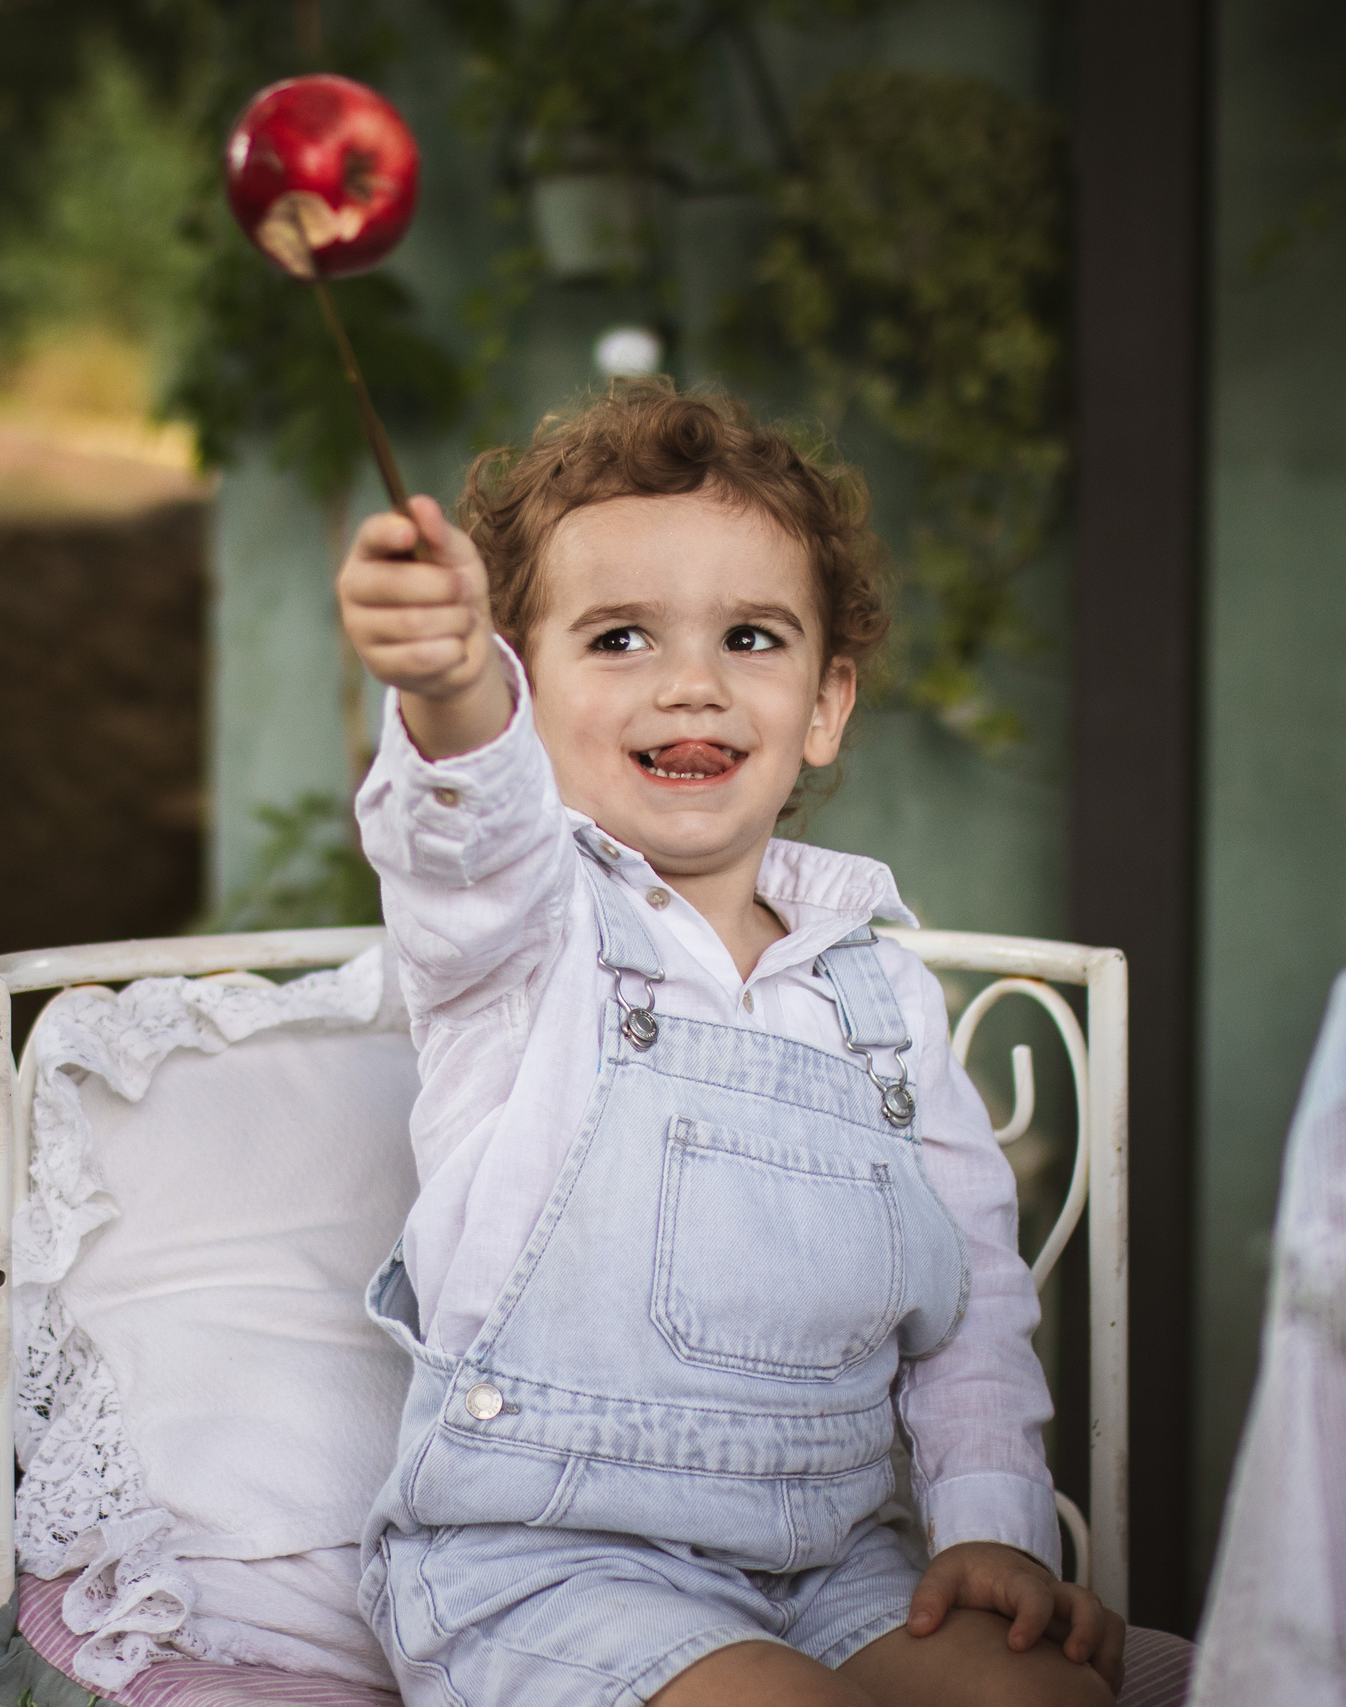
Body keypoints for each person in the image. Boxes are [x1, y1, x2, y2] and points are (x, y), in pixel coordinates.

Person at [341, 382, 1122, 1707]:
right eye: (623, 637)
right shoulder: (524, 939)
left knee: (1047, 1699)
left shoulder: (881, 991)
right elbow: (462, 831)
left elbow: (972, 1303)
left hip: (841, 1565)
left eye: (751, 638)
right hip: (552, 1568)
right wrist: (455, 686)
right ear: (530, 702)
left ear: (825, 705)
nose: (691, 683)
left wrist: (992, 1524)